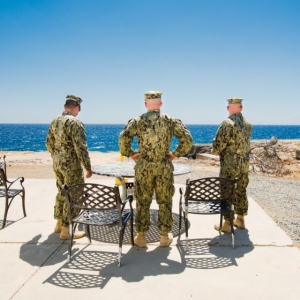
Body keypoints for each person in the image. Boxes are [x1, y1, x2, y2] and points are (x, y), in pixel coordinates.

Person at [118, 91, 193, 247]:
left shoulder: (137, 121)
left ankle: (141, 236)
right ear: (160, 104)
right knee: (165, 201)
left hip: (143, 165)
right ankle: (164, 236)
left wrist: (131, 154)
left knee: (142, 201)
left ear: (146, 105)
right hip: (163, 166)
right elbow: (187, 140)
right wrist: (174, 154)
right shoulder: (170, 121)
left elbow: (123, 140)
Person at [46, 95, 92, 239]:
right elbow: (81, 148)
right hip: (71, 165)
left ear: (65, 106)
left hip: (57, 162)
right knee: (74, 195)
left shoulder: (55, 121)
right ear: (77, 107)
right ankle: (67, 230)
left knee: (61, 191)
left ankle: (59, 224)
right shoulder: (75, 123)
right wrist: (88, 167)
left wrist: (56, 156)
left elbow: (48, 142)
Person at [212, 97, 252, 232]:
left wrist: (215, 146)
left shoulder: (227, 123)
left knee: (226, 191)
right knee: (241, 190)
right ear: (241, 108)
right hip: (244, 164)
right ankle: (240, 219)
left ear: (228, 108)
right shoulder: (248, 124)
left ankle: (227, 224)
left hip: (230, 165)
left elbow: (218, 146)